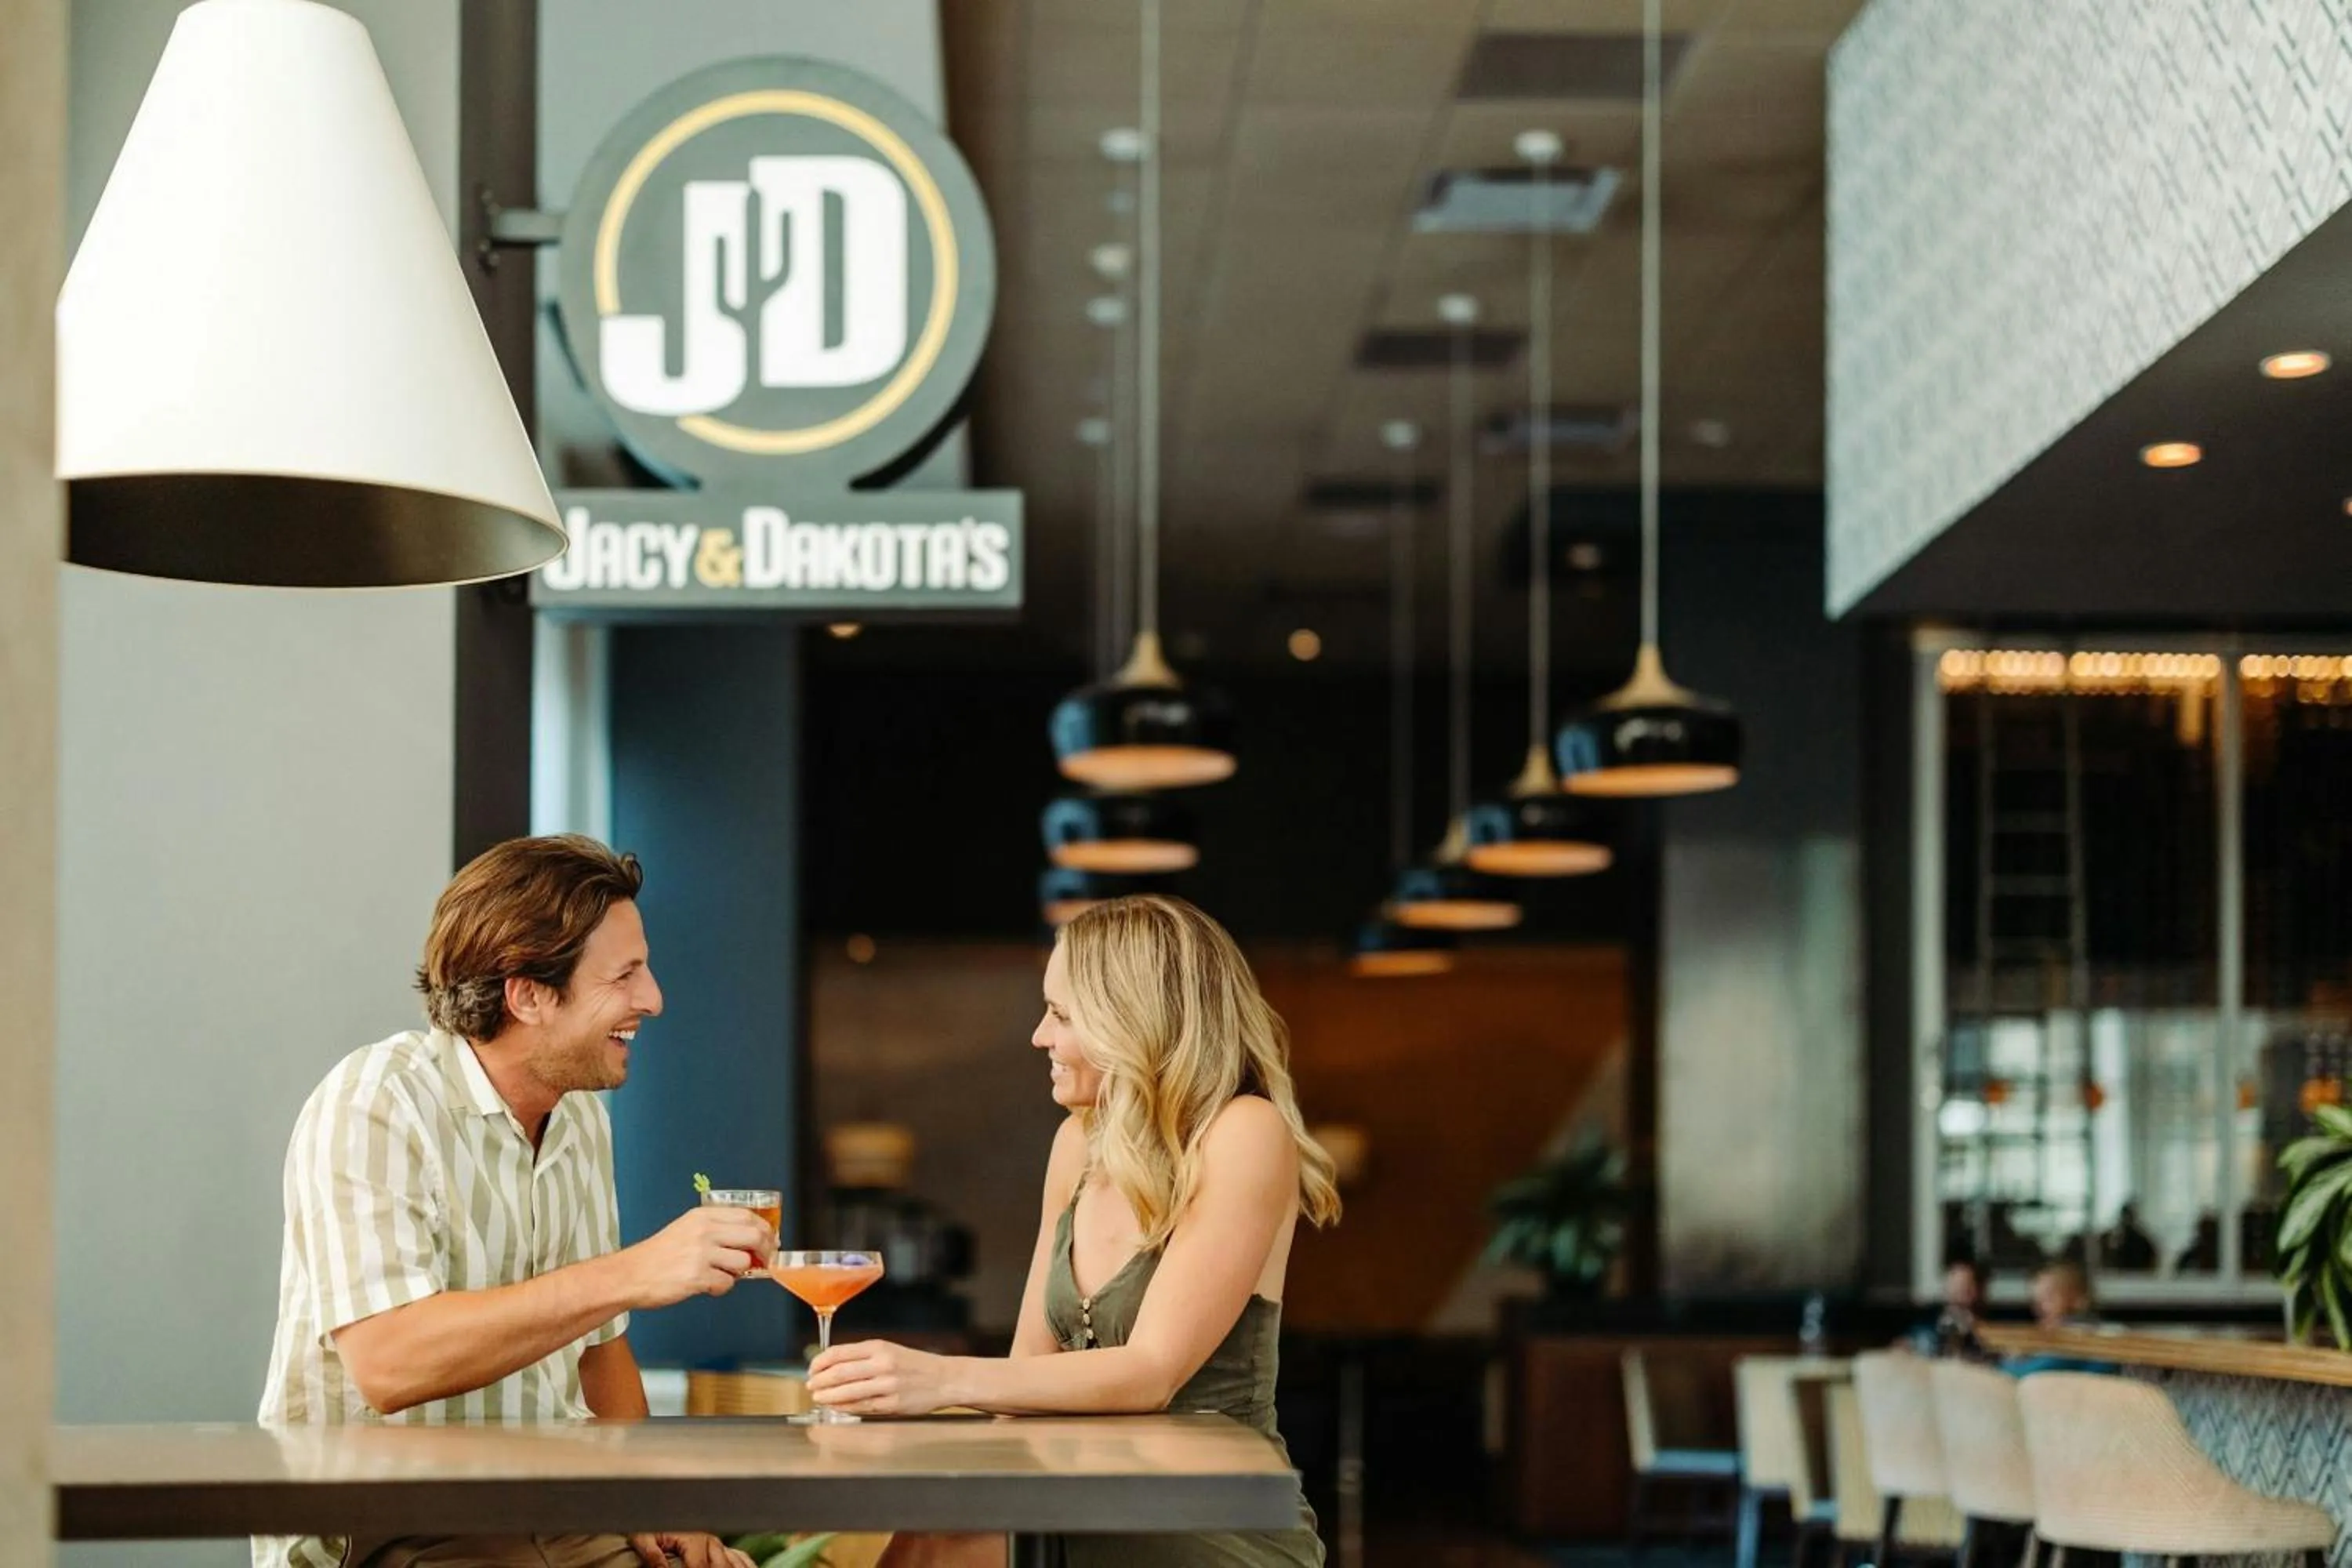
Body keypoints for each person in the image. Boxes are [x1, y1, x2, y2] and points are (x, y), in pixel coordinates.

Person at [256, 835, 774, 1568]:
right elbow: (389, 1362)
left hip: (558, 1512)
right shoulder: (378, 1103)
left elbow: (600, 1353)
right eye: (624, 975)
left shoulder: (580, 1115)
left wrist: (660, 1506)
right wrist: (632, 1272)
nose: (653, 999)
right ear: (527, 993)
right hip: (393, 1525)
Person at [804, 894, 1339, 1567]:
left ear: (1132, 1022)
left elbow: (1150, 1373)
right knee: (929, 1533)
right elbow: (1031, 1375)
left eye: (1061, 1014)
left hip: (1203, 1519)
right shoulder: (1076, 1146)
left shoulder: (1243, 1134)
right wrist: (927, 1467)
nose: (1039, 1036)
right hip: (1075, 1498)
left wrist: (938, 1381)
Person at [2003, 1259, 2114, 1377]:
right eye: (2036, 1300)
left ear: (2079, 1301)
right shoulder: (2054, 1338)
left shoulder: (2080, 1335)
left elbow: (2025, 1374)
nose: (2039, 1308)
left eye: (2049, 1298)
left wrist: (2014, 1359)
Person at [1905, 1255, 1990, 1360]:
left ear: (1976, 1291)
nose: (1960, 1290)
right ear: (1945, 1287)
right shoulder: (1925, 1327)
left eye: (1966, 1285)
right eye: (1955, 1284)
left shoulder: (1984, 1330)